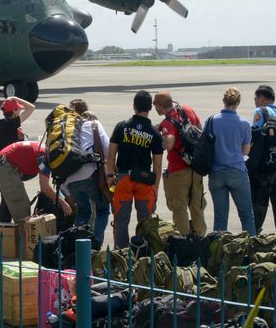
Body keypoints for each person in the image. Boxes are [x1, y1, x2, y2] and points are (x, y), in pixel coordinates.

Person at [106, 90, 164, 249]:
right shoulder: (154, 133)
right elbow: (157, 165)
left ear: (134, 106)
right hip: (145, 180)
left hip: (124, 178)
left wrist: (110, 175)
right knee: (145, 221)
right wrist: (156, 188)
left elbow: (111, 155)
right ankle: (143, 254)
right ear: (150, 108)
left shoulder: (121, 127)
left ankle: (121, 254)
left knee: (121, 220)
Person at [153, 91, 207, 236]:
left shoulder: (167, 123)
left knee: (179, 206)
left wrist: (160, 140)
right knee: (196, 205)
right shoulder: (187, 110)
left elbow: (169, 143)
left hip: (178, 170)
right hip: (195, 167)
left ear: (160, 106)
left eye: (155, 105)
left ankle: (184, 240)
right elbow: (200, 130)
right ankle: (200, 238)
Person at [206, 87, 255, 235]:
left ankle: (219, 253)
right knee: (246, 215)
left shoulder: (212, 121)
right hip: (237, 171)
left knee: (220, 218)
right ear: (238, 102)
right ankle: (250, 250)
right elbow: (245, 151)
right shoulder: (244, 124)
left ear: (223, 101)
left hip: (216, 172)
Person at [248, 85, 276, 238]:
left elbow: (254, 135)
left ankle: (252, 237)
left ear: (262, 98)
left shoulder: (261, 111)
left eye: (255, 98)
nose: (255, 101)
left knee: (258, 205)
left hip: (264, 168)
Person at [64, 101, 110, 245]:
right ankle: (94, 248)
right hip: (90, 174)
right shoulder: (93, 124)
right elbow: (107, 149)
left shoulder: (66, 129)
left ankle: (76, 247)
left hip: (70, 179)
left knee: (83, 212)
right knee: (102, 210)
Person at [0, 140, 72, 222]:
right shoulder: (45, 157)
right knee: (21, 206)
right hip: (5, 165)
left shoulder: (47, 150)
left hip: (5, 162)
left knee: (13, 200)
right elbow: (44, 187)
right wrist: (63, 203)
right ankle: (24, 232)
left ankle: (5, 231)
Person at [0, 96, 36, 222]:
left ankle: (4, 225)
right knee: (11, 197)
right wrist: (15, 98)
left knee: (6, 196)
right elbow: (31, 108)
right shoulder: (12, 123)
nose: (20, 111)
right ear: (14, 111)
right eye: (18, 109)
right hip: (8, 165)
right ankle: (6, 226)